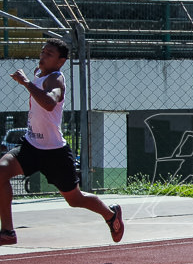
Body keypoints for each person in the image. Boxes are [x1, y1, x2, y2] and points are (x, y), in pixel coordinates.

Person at [0, 38, 124, 245]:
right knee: (1, 170)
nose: (42, 56)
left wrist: (26, 84)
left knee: (74, 199)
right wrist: (30, 82)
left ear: (60, 62)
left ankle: (111, 214)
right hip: (31, 146)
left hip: (54, 153)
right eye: (42, 51)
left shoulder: (57, 80)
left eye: (49, 54)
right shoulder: (38, 74)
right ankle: (8, 231)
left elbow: (49, 103)